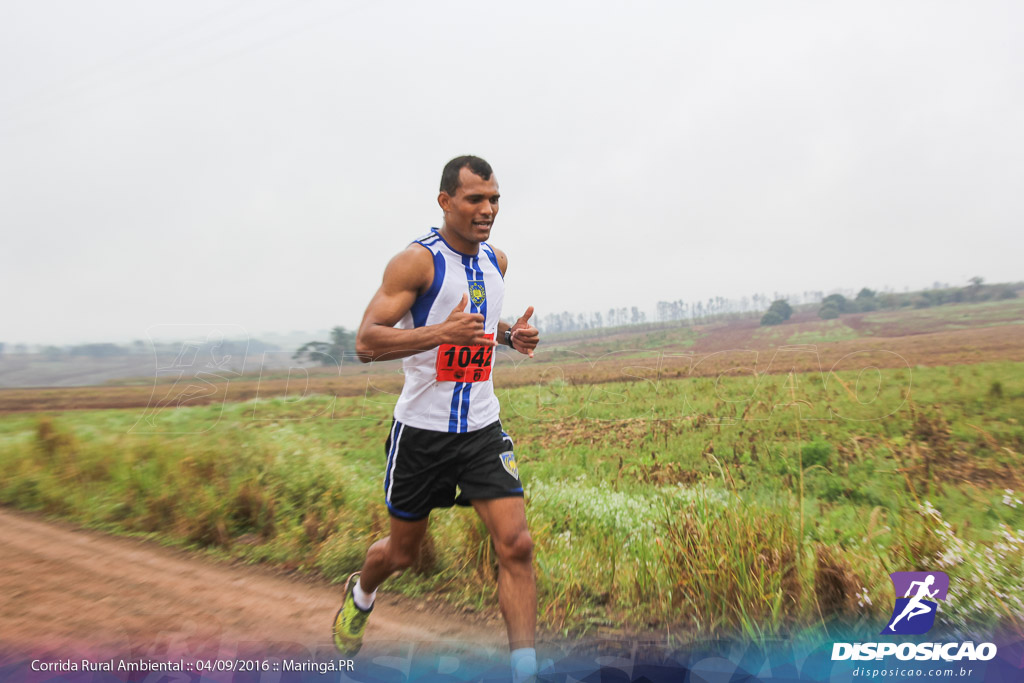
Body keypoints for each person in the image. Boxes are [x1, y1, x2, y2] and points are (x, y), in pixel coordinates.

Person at [332, 156, 541, 683]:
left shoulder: (497, 261)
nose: (488, 210)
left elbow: (478, 326)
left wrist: (510, 337)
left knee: (516, 545)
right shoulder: (415, 263)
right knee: (401, 553)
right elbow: (366, 343)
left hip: (481, 430)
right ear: (446, 201)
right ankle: (361, 594)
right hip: (421, 434)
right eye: (475, 199)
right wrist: (437, 335)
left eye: (494, 199)